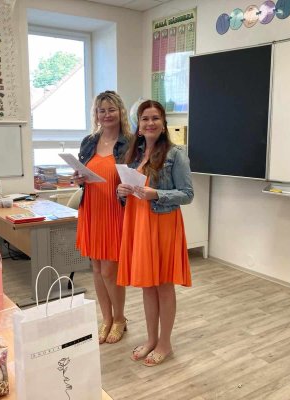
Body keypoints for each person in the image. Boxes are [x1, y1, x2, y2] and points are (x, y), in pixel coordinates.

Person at [117, 100, 194, 366]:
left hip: (163, 225)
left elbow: (187, 194)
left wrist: (157, 193)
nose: (150, 123)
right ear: (138, 126)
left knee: (163, 285)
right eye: (145, 119)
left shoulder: (176, 154)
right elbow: (131, 190)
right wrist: (122, 191)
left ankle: (165, 343)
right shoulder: (134, 155)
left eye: (155, 118)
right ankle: (151, 339)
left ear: (163, 124)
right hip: (139, 224)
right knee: (147, 285)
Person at [75, 90, 131, 344]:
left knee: (110, 270)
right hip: (92, 209)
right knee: (97, 269)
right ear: (96, 114)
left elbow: (139, 177)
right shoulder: (89, 142)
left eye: (111, 109)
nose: (106, 114)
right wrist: (78, 179)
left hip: (115, 211)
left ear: (120, 112)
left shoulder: (130, 143)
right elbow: (83, 176)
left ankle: (119, 319)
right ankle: (106, 318)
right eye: (101, 110)